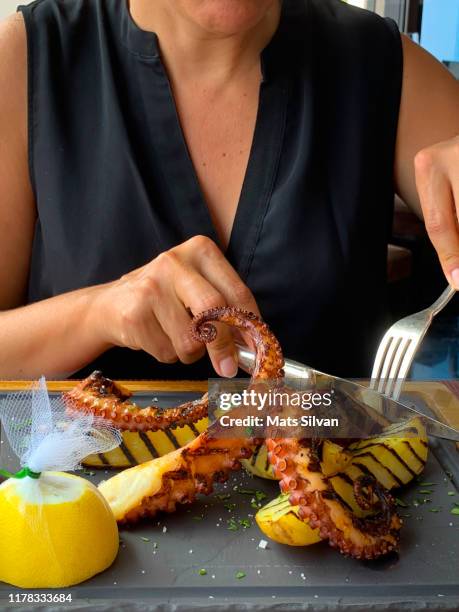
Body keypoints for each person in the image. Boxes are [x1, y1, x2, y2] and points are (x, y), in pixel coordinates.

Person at [0, 0, 458, 381]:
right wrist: (97, 313)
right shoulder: (26, 58)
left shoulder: (379, 64)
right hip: (72, 487)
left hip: (340, 485)